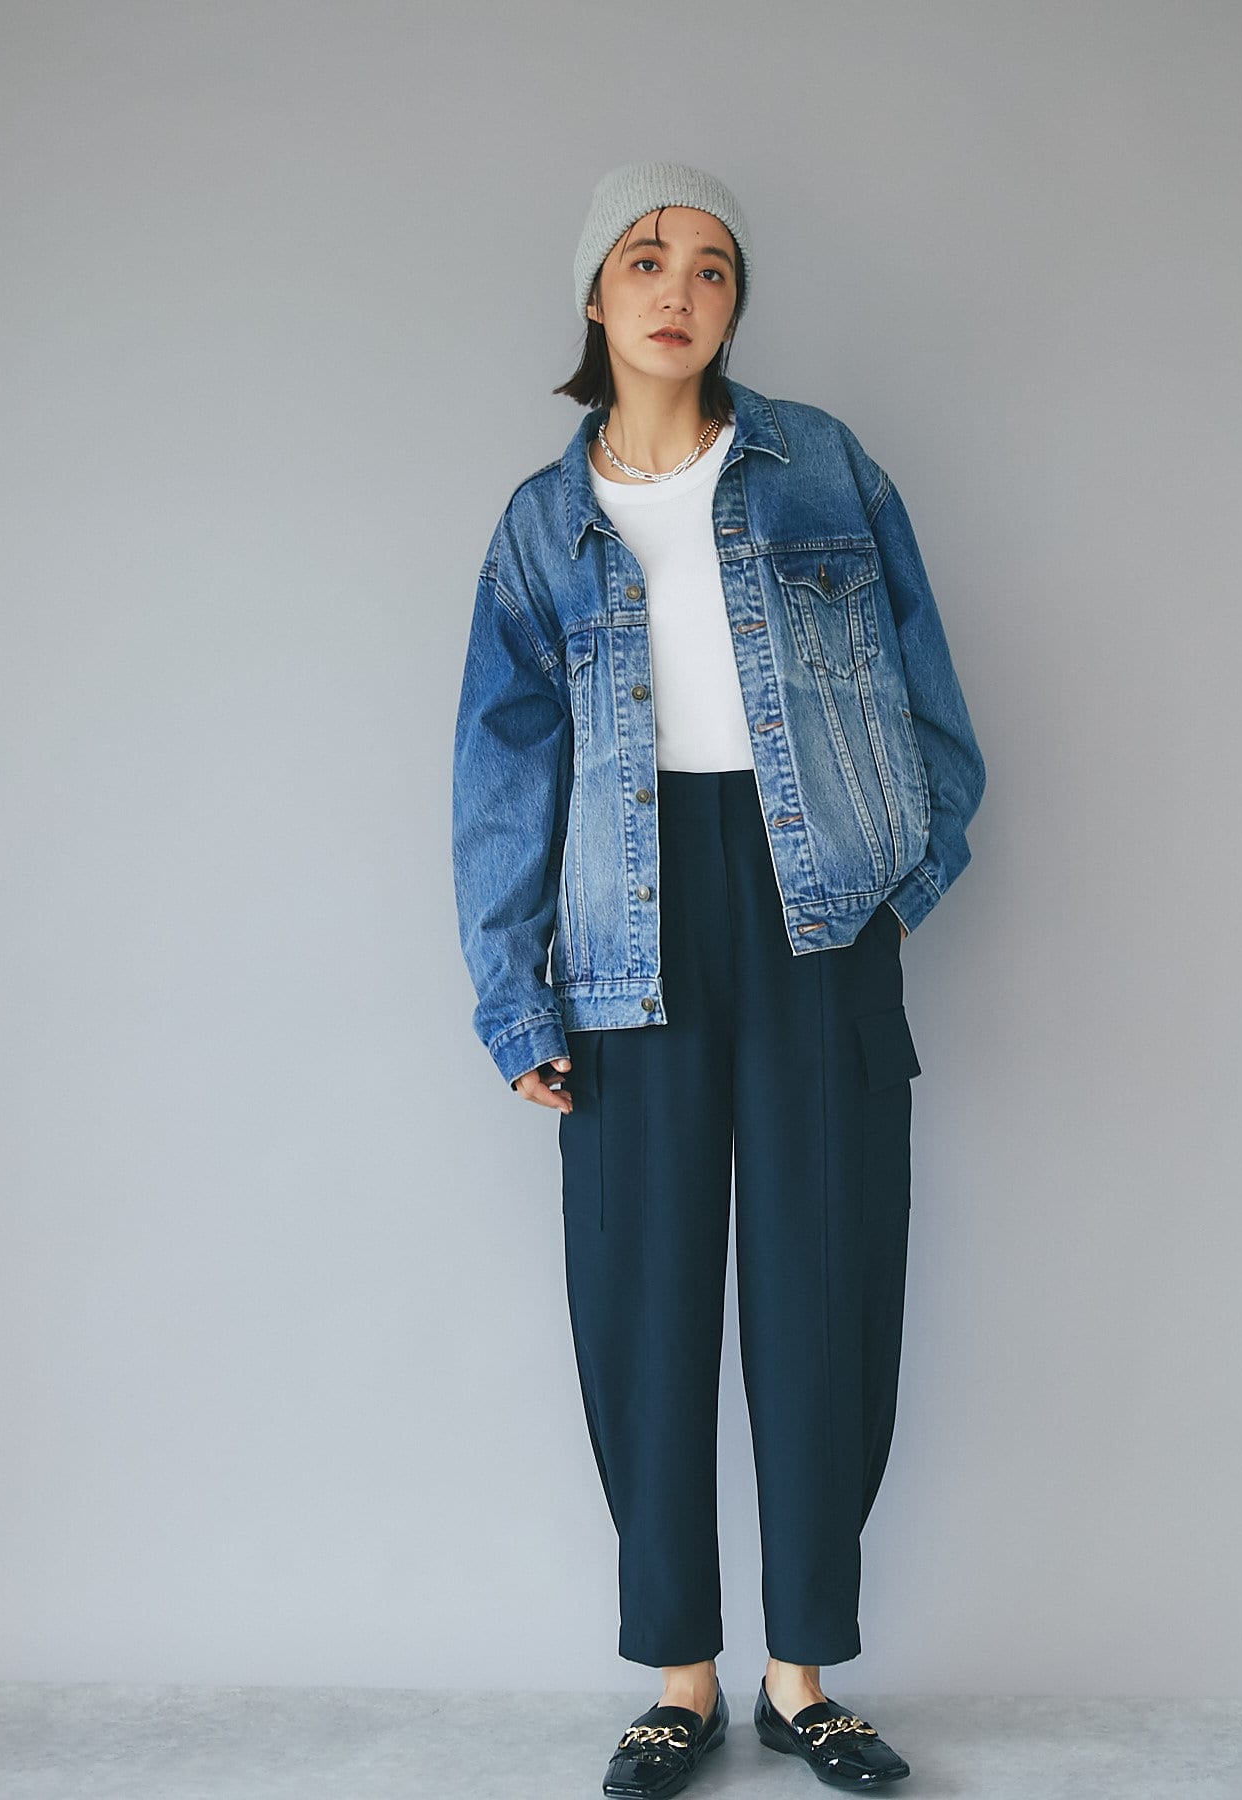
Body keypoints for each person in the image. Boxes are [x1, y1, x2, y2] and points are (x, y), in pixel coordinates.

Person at [451, 161, 986, 1796]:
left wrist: (897, 890)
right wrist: (513, 995)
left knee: (829, 1288)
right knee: (645, 1304)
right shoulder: (542, 526)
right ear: (595, 297)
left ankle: (802, 1677)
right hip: (624, 928)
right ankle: (679, 1680)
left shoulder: (822, 465)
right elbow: (502, 772)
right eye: (644, 259)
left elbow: (931, 702)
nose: (677, 289)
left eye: (710, 267)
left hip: (815, 912)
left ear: (735, 305)